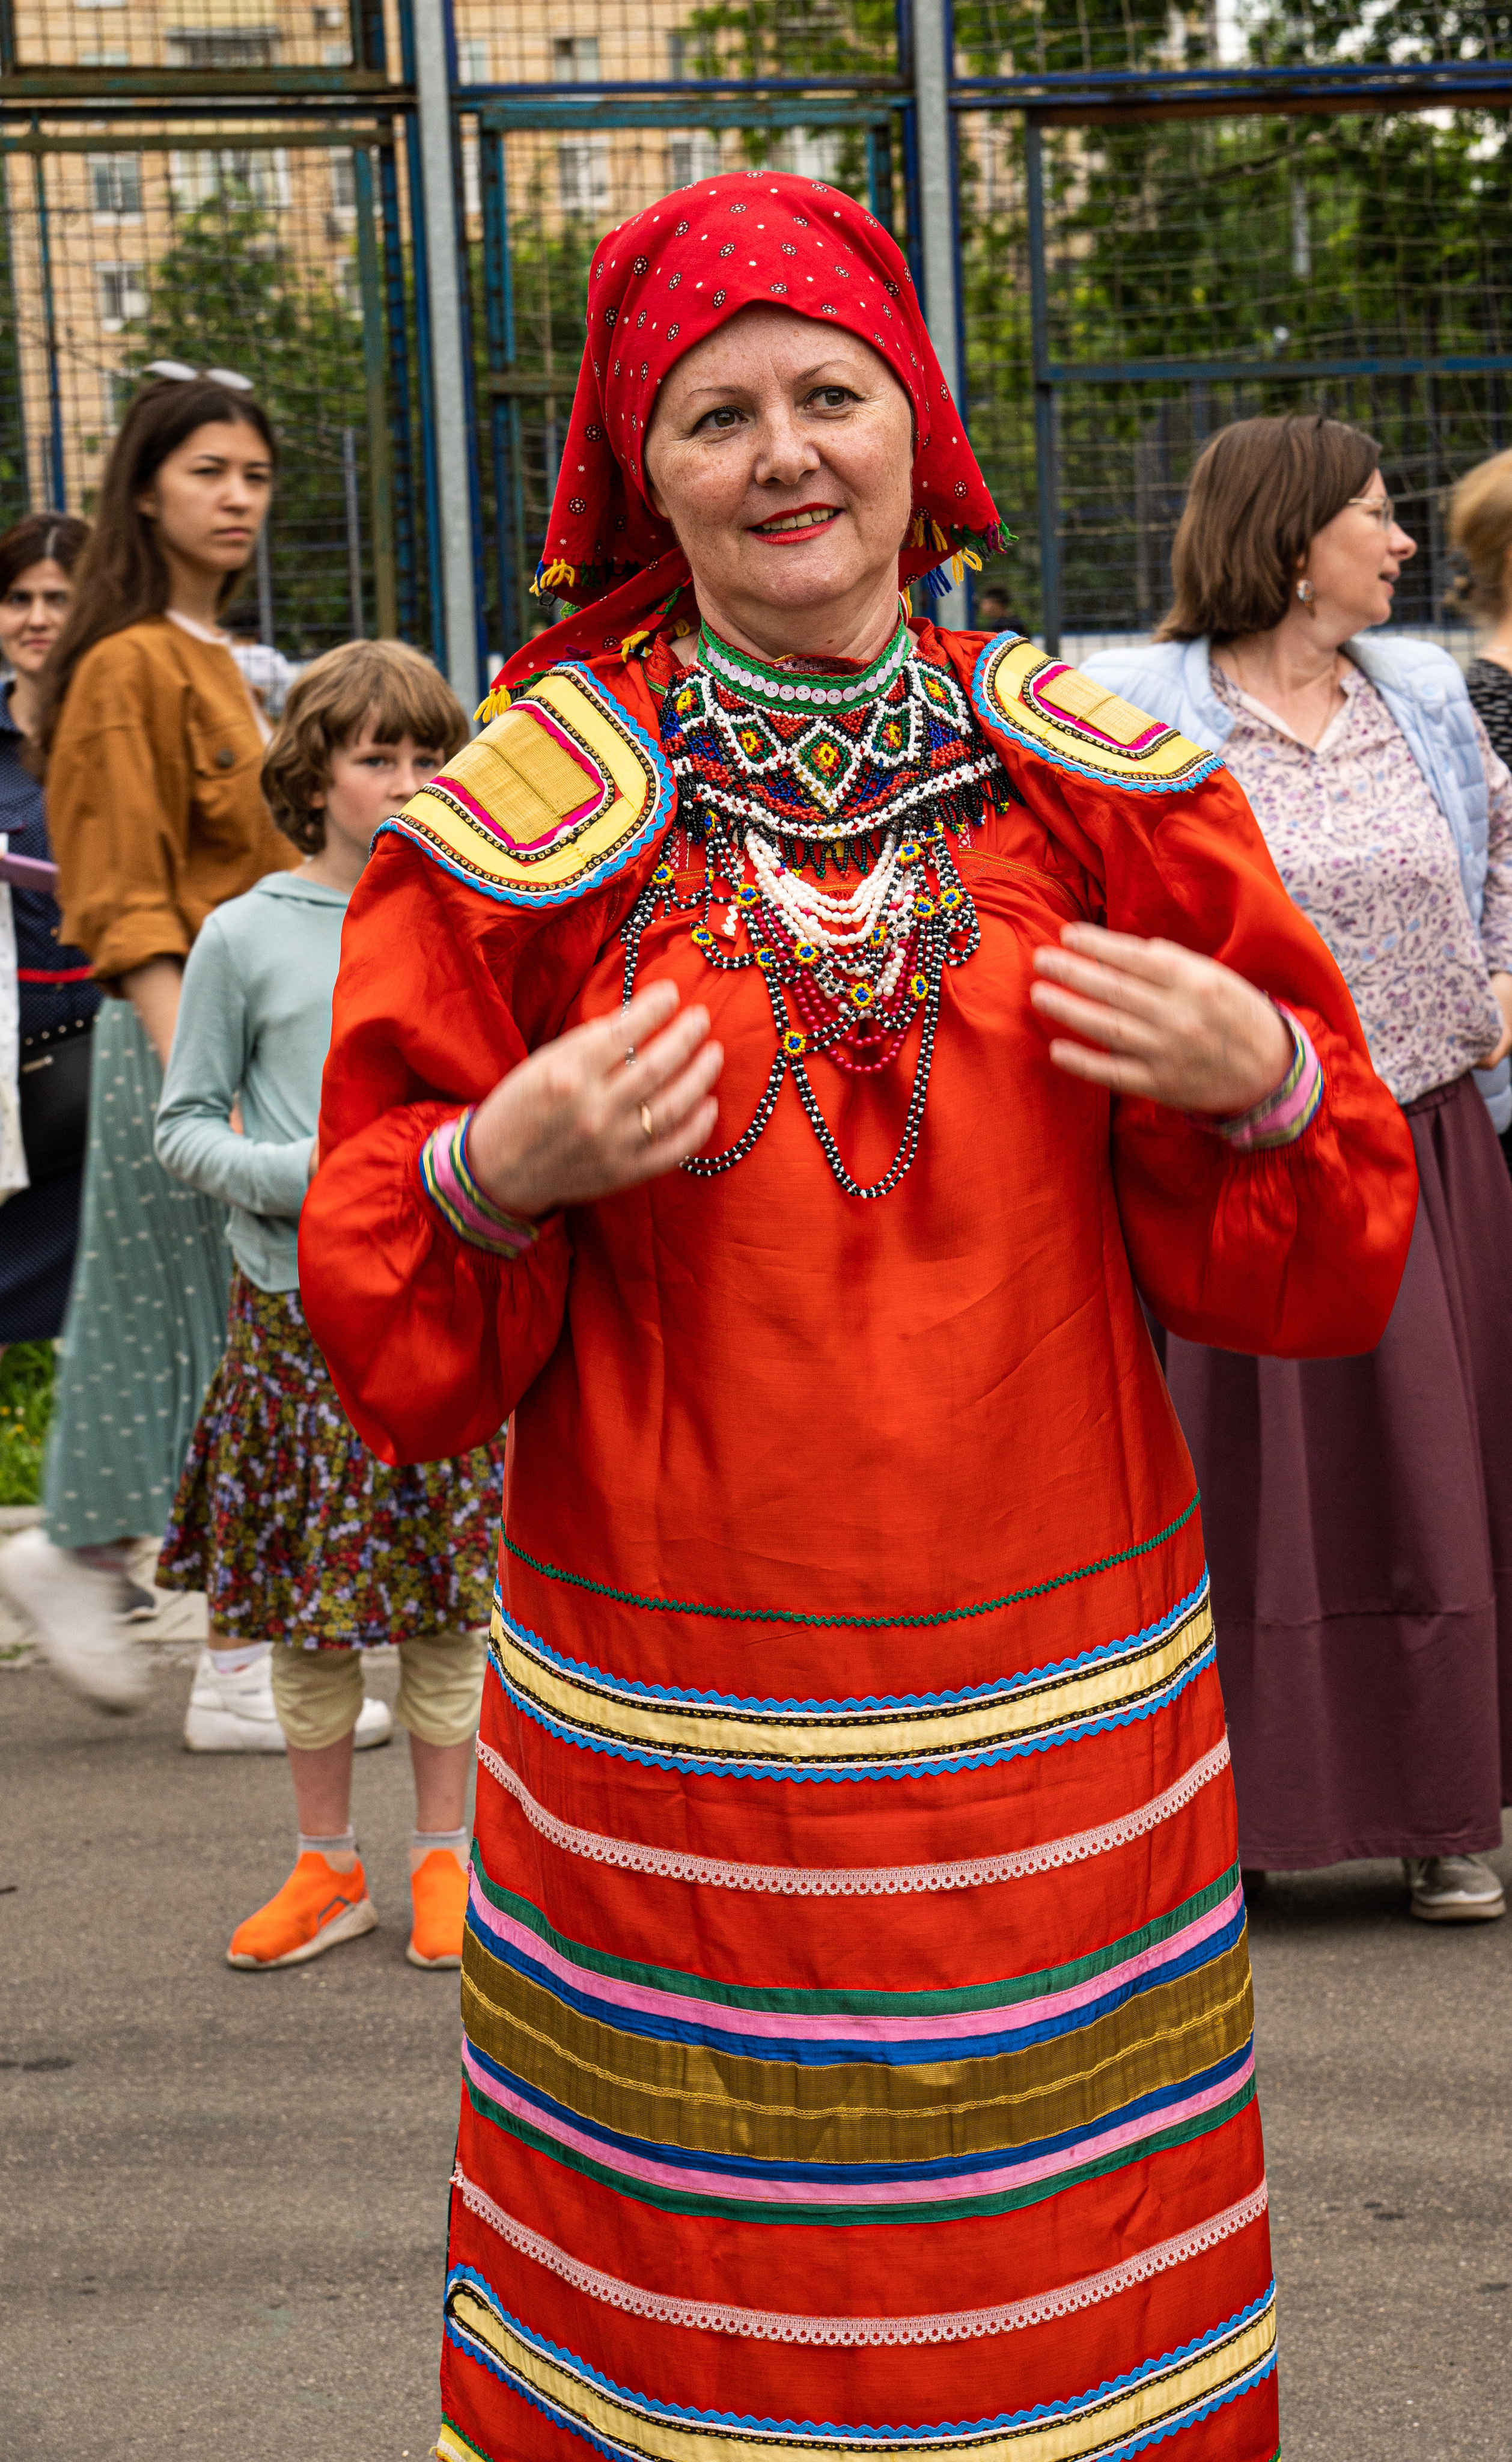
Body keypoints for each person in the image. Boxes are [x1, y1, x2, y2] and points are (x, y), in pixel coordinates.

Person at [300, 177, 1415, 2462]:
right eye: (715, 416)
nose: (785, 452)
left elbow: (1319, 1257)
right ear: (639, 475)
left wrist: (1269, 1080)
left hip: (1054, 1711)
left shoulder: (1093, 782)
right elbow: (393, 1332)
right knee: (708, 2293)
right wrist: (494, 1166)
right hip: (678, 1734)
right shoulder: (524, 828)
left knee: (1051, 2285)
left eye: (831, 393)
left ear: (917, 432)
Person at [1084, 412, 1512, 1922]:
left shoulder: (1425, 699)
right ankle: (1247, 1815)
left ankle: (1444, 1812)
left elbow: (1501, 852)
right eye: (1372, 515)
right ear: (1288, 540)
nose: (1400, 543)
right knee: (1249, 1502)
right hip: (1242, 1171)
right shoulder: (1140, 718)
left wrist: (1498, 988)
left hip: (1428, 1147)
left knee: (1433, 1489)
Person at [151, 638, 502, 1969]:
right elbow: (184, 1125)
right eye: (375, 758)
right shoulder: (244, 934)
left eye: (429, 756)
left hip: (439, 1300)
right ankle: (325, 1866)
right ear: (313, 777)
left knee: (446, 1603)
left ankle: (444, 1859)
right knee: (309, 1609)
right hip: (295, 1318)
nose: (407, 783)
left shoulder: (473, 914)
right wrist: (303, 1176)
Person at [0, 373, 301, 1723]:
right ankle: (227, 1662)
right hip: (182, 1052)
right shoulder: (129, 665)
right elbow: (124, 905)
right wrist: (208, 1097)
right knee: (233, 1350)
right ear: (142, 490)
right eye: (208, 473)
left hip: (224, 1054)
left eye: (255, 475)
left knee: (194, 1343)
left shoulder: (208, 656)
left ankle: (90, 1559)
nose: (238, 499)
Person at [0, 513, 99, 1352]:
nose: (37, 618)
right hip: (8, 1070)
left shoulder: (127, 737)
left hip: (115, 1058)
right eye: (18, 599)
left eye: (59, 599)